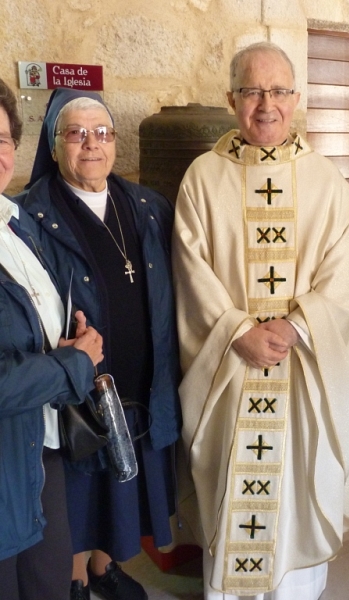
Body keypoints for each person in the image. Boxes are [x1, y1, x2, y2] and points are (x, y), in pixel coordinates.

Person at [172, 41, 349, 600]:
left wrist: (295, 327)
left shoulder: (326, 182)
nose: (267, 104)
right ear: (231, 97)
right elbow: (191, 270)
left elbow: (344, 278)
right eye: (254, 91)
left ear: (297, 98)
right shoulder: (202, 178)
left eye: (280, 91)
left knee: (292, 493)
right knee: (233, 490)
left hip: (302, 369)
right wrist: (238, 331)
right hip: (230, 369)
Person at [17, 88, 181, 600]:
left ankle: (102, 569)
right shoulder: (28, 216)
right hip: (80, 387)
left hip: (143, 377)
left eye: (103, 132)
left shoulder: (148, 206)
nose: (92, 144)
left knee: (123, 489)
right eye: (77, 133)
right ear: (55, 143)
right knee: (79, 492)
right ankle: (71, 579)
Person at [0, 78, 104, 600]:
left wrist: (66, 343)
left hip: (42, 449)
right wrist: (73, 366)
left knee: (49, 582)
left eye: (0, 138)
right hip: (2, 466)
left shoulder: (15, 223)